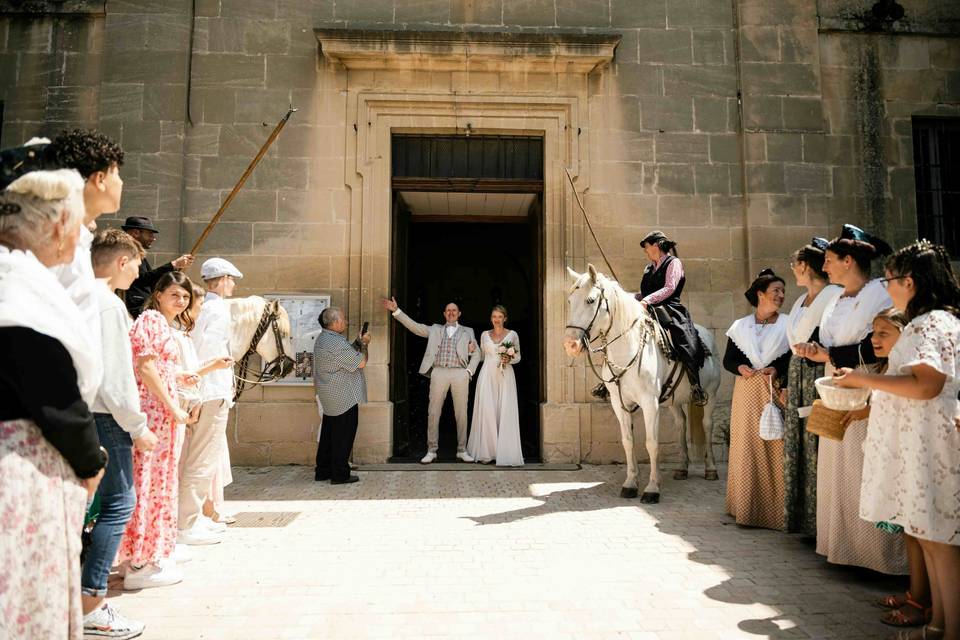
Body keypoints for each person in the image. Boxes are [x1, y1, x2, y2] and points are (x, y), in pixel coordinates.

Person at [0, 169, 107, 639]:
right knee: (24, 597)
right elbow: (49, 384)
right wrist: (89, 459)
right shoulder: (18, 290)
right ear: (61, 223)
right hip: (21, 466)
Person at [835, 241, 960, 640]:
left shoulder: (931, 323)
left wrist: (861, 379)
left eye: (888, 280)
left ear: (909, 281)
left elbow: (927, 385)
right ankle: (938, 623)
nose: (885, 288)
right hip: (918, 443)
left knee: (940, 541)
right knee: (929, 537)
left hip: (930, 443)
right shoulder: (932, 321)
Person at [793, 224, 907, 574]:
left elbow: (879, 340)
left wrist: (831, 354)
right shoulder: (837, 298)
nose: (824, 268)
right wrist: (816, 351)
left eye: (829, 261)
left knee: (864, 465)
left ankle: (877, 554)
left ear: (847, 260)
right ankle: (843, 547)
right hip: (837, 384)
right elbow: (830, 342)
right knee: (837, 466)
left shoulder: (878, 295)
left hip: (867, 384)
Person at [83, 229, 158, 638]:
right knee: (119, 503)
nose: (137, 273)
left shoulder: (72, 293)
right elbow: (115, 378)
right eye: (136, 264)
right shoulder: (108, 305)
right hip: (106, 415)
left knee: (85, 509)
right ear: (122, 262)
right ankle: (92, 602)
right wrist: (139, 427)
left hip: (75, 413)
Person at [839, 309, 932, 629]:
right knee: (910, 531)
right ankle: (915, 591)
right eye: (873, 332)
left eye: (883, 333)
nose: (874, 339)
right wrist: (862, 411)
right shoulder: (890, 366)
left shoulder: (910, 369)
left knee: (922, 534)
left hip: (912, 456)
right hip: (895, 455)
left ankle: (924, 601)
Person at [119, 272, 192, 590]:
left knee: (158, 482)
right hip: (155, 414)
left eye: (186, 297)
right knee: (150, 483)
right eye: (175, 294)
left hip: (161, 413)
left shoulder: (162, 323)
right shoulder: (150, 319)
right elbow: (145, 367)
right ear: (158, 294)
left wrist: (181, 378)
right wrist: (173, 406)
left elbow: (159, 368)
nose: (181, 301)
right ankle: (140, 562)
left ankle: (146, 553)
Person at [46, 130, 126, 409]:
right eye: (117, 173)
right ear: (99, 179)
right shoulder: (53, 242)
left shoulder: (80, 243)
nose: (122, 182)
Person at [723, 269, 792, 530]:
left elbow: (790, 357)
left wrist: (777, 370)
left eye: (783, 291)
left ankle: (775, 512)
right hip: (746, 394)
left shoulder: (788, 324)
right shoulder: (740, 326)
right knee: (747, 447)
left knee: (775, 445)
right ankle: (746, 508)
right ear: (761, 294)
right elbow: (729, 359)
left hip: (773, 391)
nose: (781, 295)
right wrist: (741, 368)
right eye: (776, 290)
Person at [782, 239, 843, 536]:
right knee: (799, 442)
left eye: (794, 265)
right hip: (797, 373)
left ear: (805, 265)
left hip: (818, 371)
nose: (793, 271)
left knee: (817, 441)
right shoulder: (799, 301)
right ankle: (803, 520)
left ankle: (822, 522)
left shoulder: (832, 295)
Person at [179, 258, 242, 544]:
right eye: (231, 279)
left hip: (205, 387)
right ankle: (189, 522)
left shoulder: (206, 307)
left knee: (200, 457)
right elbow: (209, 348)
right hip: (212, 389)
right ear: (224, 279)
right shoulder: (218, 309)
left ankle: (197, 517)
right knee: (203, 459)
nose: (234, 284)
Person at [381, 296, 481, 464]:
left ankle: (462, 450)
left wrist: (469, 372)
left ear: (459, 314)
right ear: (444, 314)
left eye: (454, 310)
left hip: (459, 373)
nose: (451, 313)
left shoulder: (468, 331)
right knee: (433, 412)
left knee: (461, 413)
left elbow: (477, 353)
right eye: (448, 310)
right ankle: (431, 450)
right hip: (439, 372)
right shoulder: (435, 329)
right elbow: (415, 327)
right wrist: (396, 311)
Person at [636, 231, 708, 406]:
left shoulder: (674, 263)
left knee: (684, 340)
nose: (645, 251)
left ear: (657, 245)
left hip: (670, 310)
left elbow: (669, 288)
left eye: (647, 246)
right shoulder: (648, 268)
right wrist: (631, 299)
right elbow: (644, 294)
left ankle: (695, 385)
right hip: (648, 308)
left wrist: (647, 300)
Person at [313, 307, 370, 484]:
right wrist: (366, 344)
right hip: (343, 395)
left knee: (329, 435)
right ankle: (340, 474)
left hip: (331, 394)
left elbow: (346, 355)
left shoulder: (326, 338)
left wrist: (358, 342)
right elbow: (360, 362)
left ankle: (323, 470)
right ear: (335, 322)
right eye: (344, 319)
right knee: (343, 435)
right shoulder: (335, 342)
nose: (346, 322)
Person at [466, 305, 523, 466]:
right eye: (494, 317)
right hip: (487, 375)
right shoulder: (484, 335)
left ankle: (505, 453)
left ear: (505, 318)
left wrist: (509, 359)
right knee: (487, 411)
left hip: (505, 376)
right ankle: (487, 453)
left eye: (499, 317)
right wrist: (470, 351)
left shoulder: (513, 335)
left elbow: (518, 355)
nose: (496, 320)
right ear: (491, 319)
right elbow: (481, 356)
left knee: (504, 411)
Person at [121, 215, 194, 318]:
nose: (153, 238)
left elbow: (149, 279)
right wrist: (173, 265)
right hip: (134, 308)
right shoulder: (127, 251)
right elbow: (141, 279)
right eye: (150, 234)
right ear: (136, 233)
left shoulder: (136, 252)